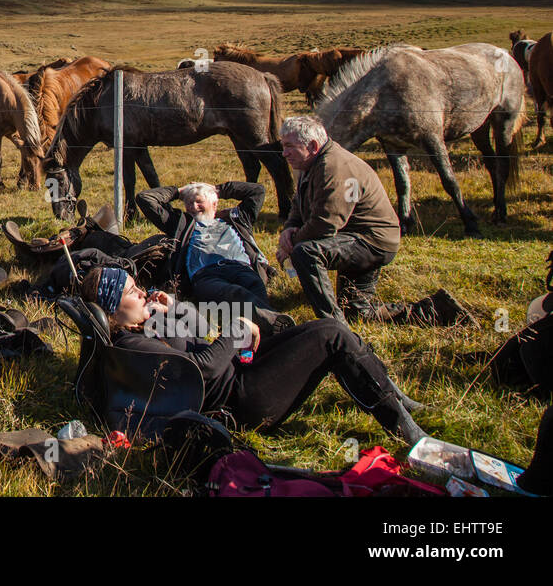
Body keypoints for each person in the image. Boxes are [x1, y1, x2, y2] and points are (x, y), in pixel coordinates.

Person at [81, 264, 426, 443]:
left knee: (320, 331)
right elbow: (204, 370)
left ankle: (393, 397)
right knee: (331, 335)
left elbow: (202, 332)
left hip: (241, 372)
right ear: (112, 311)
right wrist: (237, 332)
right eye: (132, 291)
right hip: (241, 399)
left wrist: (175, 309)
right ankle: (405, 427)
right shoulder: (132, 345)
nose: (142, 292)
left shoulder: (144, 325)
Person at [276, 115, 464, 327]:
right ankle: (438, 311)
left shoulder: (334, 168)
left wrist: (291, 245)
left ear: (312, 145)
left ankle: (333, 327)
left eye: (289, 146)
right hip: (354, 239)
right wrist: (290, 228)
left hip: (371, 242)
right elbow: (298, 204)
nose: (284, 153)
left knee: (306, 252)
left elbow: (325, 224)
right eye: (283, 146)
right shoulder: (311, 163)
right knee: (357, 311)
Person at [136, 180, 293, 335]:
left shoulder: (237, 218)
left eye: (199, 202)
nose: (193, 207)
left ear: (214, 204)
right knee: (235, 293)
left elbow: (257, 190)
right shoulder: (182, 223)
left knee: (255, 288)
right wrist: (178, 192)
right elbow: (145, 198)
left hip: (242, 268)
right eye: (188, 203)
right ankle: (279, 325)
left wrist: (218, 189)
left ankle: (267, 331)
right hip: (207, 276)